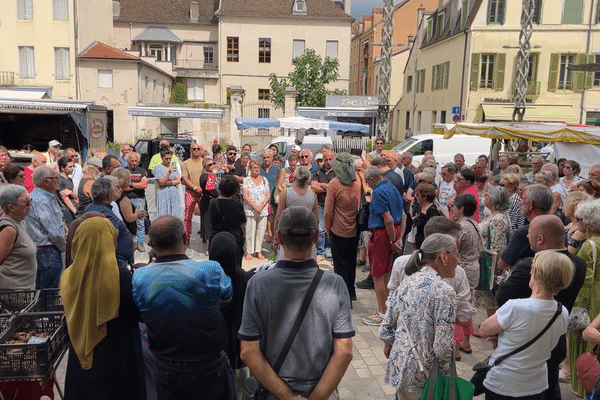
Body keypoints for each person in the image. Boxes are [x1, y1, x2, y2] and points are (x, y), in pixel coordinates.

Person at [239, 206, 354, 400]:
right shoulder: (336, 284)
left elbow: (248, 351)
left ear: (280, 238)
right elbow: (344, 352)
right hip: (323, 393)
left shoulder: (257, 284)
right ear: (316, 237)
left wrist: (288, 397)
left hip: (272, 393)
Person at [132, 215, 234, 400]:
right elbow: (227, 296)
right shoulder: (210, 270)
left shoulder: (139, 278)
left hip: (164, 367)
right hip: (207, 366)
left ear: (152, 244)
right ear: (186, 238)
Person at [496, 214, 586, 400]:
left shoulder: (531, 266)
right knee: (551, 387)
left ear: (540, 238)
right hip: (556, 339)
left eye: (529, 233)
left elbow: (503, 298)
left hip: (525, 343)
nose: (527, 237)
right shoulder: (579, 264)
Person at [61, 217, 146, 400]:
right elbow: (137, 313)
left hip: (82, 348)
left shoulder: (68, 275)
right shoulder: (118, 274)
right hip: (117, 353)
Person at [480, 250, 572, 400]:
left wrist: (501, 339)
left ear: (535, 272)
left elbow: (484, 330)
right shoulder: (562, 312)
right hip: (536, 385)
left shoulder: (515, 307)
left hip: (504, 383)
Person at [378, 233, 458, 400]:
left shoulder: (407, 281)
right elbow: (442, 347)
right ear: (443, 256)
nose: (458, 260)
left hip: (399, 368)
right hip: (424, 377)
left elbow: (386, 326)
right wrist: (445, 379)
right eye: (456, 254)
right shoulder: (444, 292)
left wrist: (390, 344)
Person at [362, 167, 404, 326]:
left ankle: (382, 313)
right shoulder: (393, 188)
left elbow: (388, 219)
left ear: (372, 179)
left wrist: (393, 240)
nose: (368, 186)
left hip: (383, 233)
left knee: (377, 274)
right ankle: (387, 309)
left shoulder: (378, 193)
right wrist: (397, 238)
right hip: (393, 231)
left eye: (368, 182)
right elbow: (402, 216)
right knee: (386, 272)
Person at [569, 200, 600, 397]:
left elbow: (585, 281)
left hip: (589, 299)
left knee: (580, 343)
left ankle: (582, 386)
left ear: (588, 223)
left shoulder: (589, 246)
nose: (576, 222)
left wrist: (576, 307)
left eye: (579, 219)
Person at [324, 153, 361, 300]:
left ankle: (343, 296)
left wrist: (328, 229)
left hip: (338, 230)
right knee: (351, 262)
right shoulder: (357, 181)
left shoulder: (334, 183)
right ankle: (351, 292)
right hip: (353, 229)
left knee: (340, 265)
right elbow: (359, 205)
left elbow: (328, 211)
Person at [25, 166, 66, 289]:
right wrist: (65, 247)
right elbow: (55, 233)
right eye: (56, 178)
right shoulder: (43, 201)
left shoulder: (37, 198)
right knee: (47, 296)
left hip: (40, 250)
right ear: (46, 182)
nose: (58, 181)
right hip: (47, 251)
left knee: (41, 294)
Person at [474, 186, 512, 316]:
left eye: (487, 196)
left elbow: (497, 245)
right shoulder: (496, 216)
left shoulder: (498, 219)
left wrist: (493, 266)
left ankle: (493, 331)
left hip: (491, 263)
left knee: (490, 299)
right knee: (487, 299)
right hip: (487, 261)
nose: (484, 197)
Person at [497, 184, 553, 271]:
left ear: (531, 204)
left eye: (523, 198)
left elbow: (502, 264)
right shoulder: (557, 227)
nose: (520, 202)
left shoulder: (526, 232)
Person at [84, 177, 135, 268]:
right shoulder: (105, 213)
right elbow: (111, 238)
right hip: (114, 262)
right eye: (116, 188)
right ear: (109, 195)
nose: (120, 190)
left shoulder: (91, 207)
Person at [273, 165, 317, 260]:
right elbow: (316, 219)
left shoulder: (286, 193)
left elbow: (278, 218)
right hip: (307, 237)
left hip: (289, 236)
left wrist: (276, 238)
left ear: (295, 177)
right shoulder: (312, 195)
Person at [0, 185, 37, 290]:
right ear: (11, 207)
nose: (30, 204)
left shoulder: (20, 222)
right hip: (12, 295)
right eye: (26, 202)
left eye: (30, 200)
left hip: (23, 293)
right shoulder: (8, 229)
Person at [209, 175, 246, 265]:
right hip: (234, 240)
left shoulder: (213, 202)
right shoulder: (238, 205)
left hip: (216, 239)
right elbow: (243, 222)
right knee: (234, 268)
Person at [243, 160, 270, 261]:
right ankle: (249, 251)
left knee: (261, 231)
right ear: (250, 169)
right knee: (250, 230)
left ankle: (258, 250)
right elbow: (245, 195)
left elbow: (268, 194)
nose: (256, 170)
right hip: (251, 209)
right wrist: (254, 206)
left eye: (258, 168)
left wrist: (262, 205)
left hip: (262, 210)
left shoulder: (264, 179)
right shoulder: (246, 180)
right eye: (254, 168)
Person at [112, 168, 147, 246]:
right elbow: (130, 218)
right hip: (125, 234)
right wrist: (137, 214)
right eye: (128, 179)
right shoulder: (123, 198)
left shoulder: (113, 194)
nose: (130, 181)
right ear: (121, 180)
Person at [123, 152, 148, 251]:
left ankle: (140, 242)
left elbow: (144, 185)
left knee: (140, 222)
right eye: (132, 161)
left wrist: (130, 184)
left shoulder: (142, 170)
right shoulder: (124, 171)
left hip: (139, 199)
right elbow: (123, 187)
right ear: (127, 161)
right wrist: (137, 186)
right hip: (126, 199)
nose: (134, 163)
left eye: (136, 161)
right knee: (127, 220)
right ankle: (129, 241)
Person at [180, 144, 206, 236]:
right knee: (187, 216)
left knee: (205, 215)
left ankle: (205, 235)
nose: (196, 150)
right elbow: (185, 178)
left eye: (198, 149)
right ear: (190, 150)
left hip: (203, 193)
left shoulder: (204, 162)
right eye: (194, 149)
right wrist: (195, 188)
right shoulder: (185, 163)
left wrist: (202, 189)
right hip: (190, 192)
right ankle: (187, 236)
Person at [261, 149, 281, 244]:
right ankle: (269, 235)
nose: (266, 159)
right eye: (264, 157)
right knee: (266, 218)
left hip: (274, 197)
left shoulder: (277, 169)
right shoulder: (259, 168)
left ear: (272, 158)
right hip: (262, 198)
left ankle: (273, 236)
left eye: (268, 157)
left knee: (273, 218)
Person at [154, 149, 181, 218]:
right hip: (163, 193)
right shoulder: (158, 167)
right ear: (162, 158)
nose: (168, 160)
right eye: (166, 159)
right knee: (164, 215)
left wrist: (166, 182)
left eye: (170, 158)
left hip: (173, 194)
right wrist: (168, 173)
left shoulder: (173, 165)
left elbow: (178, 180)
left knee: (174, 215)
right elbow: (160, 183)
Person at [200, 157, 219, 250]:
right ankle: (209, 247)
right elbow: (210, 188)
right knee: (207, 225)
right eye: (209, 164)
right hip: (207, 201)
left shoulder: (214, 175)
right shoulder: (204, 176)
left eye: (213, 163)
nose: (212, 166)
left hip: (215, 202)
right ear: (205, 166)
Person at [413, 184, 439, 249]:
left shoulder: (432, 211)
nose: (416, 197)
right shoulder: (422, 208)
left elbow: (435, 232)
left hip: (427, 247)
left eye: (417, 194)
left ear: (424, 197)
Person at [57, 156, 78, 226]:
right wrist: (76, 212)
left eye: (73, 166)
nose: (72, 168)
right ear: (62, 168)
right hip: (65, 212)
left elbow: (76, 196)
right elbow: (65, 199)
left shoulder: (70, 179)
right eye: (70, 167)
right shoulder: (59, 180)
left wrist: (70, 192)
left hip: (73, 210)